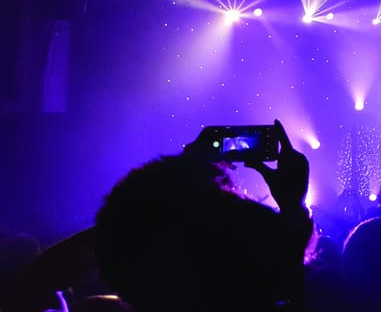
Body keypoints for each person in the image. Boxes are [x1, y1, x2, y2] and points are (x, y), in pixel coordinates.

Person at [92, 119, 314, 312]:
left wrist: (185, 171)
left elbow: (119, 229)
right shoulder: (256, 278)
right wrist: (292, 205)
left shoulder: (123, 254)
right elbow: (284, 272)